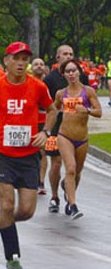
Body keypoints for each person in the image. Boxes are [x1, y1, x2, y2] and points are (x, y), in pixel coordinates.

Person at [0, 42, 56, 269]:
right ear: (7, 61)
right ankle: (12, 258)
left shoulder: (38, 87)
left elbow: (52, 110)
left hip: (28, 155)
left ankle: (5, 224)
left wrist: (45, 132)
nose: (21, 63)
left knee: (27, 211)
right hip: (2, 154)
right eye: (17, 58)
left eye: (25, 59)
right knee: (7, 205)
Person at [53, 58, 101, 219]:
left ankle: (68, 193)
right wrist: (47, 128)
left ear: (79, 72)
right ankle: (73, 206)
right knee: (71, 168)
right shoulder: (61, 93)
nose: (71, 74)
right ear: (64, 75)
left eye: (74, 70)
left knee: (77, 172)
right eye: (68, 71)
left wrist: (86, 110)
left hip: (82, 138)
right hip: (64, 135)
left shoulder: (88, 92)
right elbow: (53, 109)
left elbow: (99, 112)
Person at [43, 44, 89, 213]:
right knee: (56, 163)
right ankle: (55, 197)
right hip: (56, 127)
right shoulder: (50, 80)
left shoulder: (81, 77)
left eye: (71, 54)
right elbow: (45, 104)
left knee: (75, 169)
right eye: (65, 54)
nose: (69, 56)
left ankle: (70, 196)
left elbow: (90, 100)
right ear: (58, 58)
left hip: (76, 127)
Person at [30, 57, 49, 195]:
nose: (39, 66)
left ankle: (41, 182)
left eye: (41, 64)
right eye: (36, 64)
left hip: (44, 121)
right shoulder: (27, 81)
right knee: (30, 151)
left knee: (43, 152)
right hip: (29, 122)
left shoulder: (49, 82)